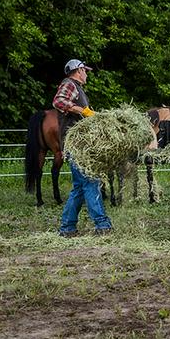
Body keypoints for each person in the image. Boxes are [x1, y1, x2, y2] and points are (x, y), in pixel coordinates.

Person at [53, 59, 112, 237]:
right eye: (84, 71)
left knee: (79, 187)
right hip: (77, 146)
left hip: (78, 145)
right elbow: (59, 101)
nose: (86, 74)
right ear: (78, 71)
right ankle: (102, 225)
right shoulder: (69, 84)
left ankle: (67, 228)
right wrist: (82, 110)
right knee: (90, 182)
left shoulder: (78, 88)